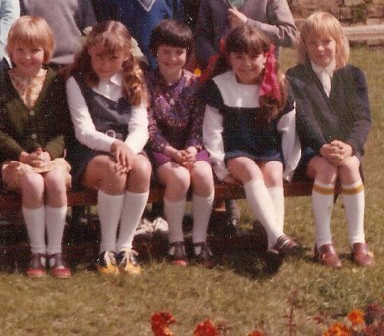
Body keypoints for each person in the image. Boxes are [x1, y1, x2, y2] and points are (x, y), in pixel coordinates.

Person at [202, 24, 301, 265]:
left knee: (274, 174)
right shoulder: (220, 85)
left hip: (268, 149)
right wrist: (221, 169)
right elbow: (212, 131)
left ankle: (272, 248)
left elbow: (290, 131)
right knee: (251, 171)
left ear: (267, 56)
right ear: (229, 57)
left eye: (254, 56)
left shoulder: (279, 85)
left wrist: (289, 167)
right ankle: (277, 235)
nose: (247, 64)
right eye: (239, 57)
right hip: (237, 151)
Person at [0, 16, 72, 278]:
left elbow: (64, 130)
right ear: (10, 51)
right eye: (20, 50)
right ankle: (37, 252)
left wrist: (48, 153)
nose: (26, 57)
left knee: (55, 180)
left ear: (46, 51)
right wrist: (21, 154)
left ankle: (55, 252)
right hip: (16, 161)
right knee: (33, 184)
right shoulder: (1, 83)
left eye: (34, 50)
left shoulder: (55, 82)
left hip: (50, 157)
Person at [287, 12, 374, 268]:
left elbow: (362, 119)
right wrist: (323, 146)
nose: (320, 48)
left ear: (338, 42)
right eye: (312, 43)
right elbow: (303, 118)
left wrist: (348, 146)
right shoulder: (296, 76)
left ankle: (358, 241)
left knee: (349, 166)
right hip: (312, 149)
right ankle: (323, 243)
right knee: (326, 168)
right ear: (304, 46)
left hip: (345, 148)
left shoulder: (353, 75)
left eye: (326, 41)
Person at [65, 21, 151, 275]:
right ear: (89, 51)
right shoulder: (77, 82)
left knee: (143, 169)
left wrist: (128, 148)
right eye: (99, 57)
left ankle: (125, 246)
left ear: (126, 56)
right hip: (93, 153)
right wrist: (115, 145)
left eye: (112, 58)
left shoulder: (133, 80)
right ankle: (106, 248)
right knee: (115, 171)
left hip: (127, 148)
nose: (104, 65)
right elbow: (83, 131)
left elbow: (140, 126)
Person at [145, 20, 214, 266]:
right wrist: (173, 152)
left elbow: (199, 122)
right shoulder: (146, 82)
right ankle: (176, 241)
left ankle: (199, 239)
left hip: (191, 146)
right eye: (166, 51)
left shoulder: (195, 84)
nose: (172, 58)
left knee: (204, 175)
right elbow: (149, 127)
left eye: (179, 52)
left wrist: (192, 149)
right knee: (180, 178)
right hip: (161, 149)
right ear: (155, 51)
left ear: (187, 54)